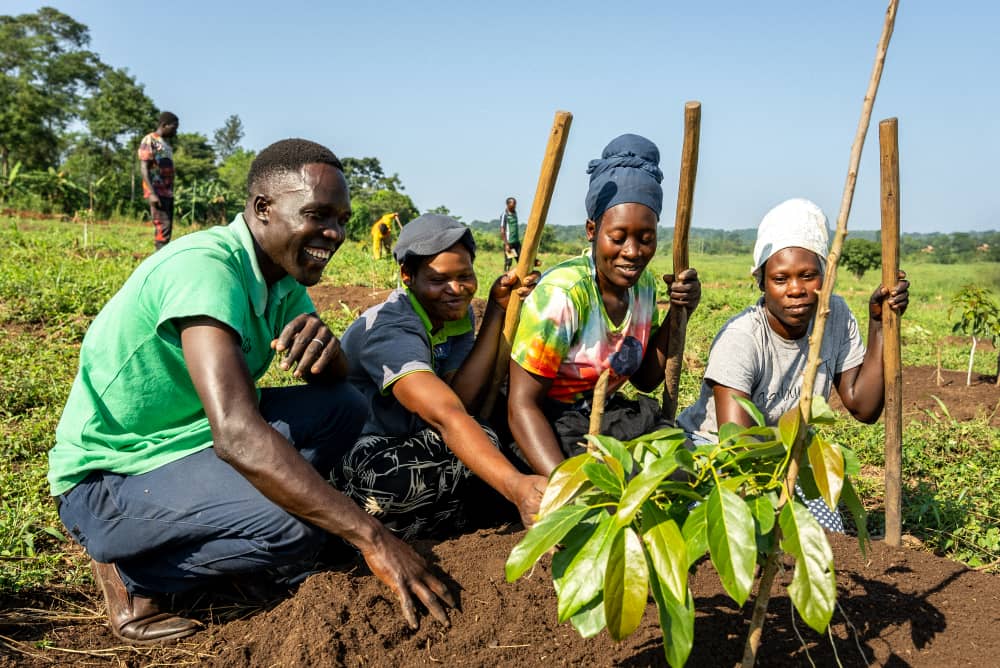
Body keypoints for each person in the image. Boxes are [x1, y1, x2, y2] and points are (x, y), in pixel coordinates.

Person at [49, 139, 454, 645]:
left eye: (343, 219)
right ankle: (132, 573)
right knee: (297, 530)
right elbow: (237, 434)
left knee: (342, 405)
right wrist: (373, 537)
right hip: (111, 476)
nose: (335, 233)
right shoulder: (207, 270)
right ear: (263, 209)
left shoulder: (279, 277)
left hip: (182, 442)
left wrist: (332, 357)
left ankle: (221, 536)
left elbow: (336, 389)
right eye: (317, 215)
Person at [676, 198, 910, 531]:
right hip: (716, 457)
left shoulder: (835, 316)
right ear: (762, 282)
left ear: (825, 278)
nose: (796, 290)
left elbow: (864, 407)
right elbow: (736, 445)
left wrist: (879, 323)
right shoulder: (742, 338)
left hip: (788, 455)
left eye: (808, 276)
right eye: (781, 279)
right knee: (735, 529)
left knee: (827, 534)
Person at [338, 214, 547, 537]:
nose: (456, 290)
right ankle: (353, 527)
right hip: (360, 453)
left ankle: (428, 521)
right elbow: (446, 414)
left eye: (465, 276)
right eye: (438, 280)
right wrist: (515, 485)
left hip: (413, 439)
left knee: (486, 437)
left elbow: (462, 396)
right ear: (407, 276)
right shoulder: (391, 329)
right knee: (396, 479)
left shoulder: (452, 317)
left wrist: (496, 309)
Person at [507, 134, 701, 477]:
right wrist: (563, 485)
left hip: (610, 417)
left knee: (681, 466)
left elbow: (644, 379)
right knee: (609, 481)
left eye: (646, 238)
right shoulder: (563, 296)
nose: (632, 252)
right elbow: (522, 405)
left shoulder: (643, 287)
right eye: (618, 237)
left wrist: (678, 313)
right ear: (592, 230)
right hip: (550, 425)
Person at [138, 111, 180, 250]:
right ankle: (159, 259)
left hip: (167, 193)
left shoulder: (166, 145)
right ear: (164, 125)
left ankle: (162, 256)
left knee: (167, 229)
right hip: (157, 192)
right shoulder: (150, 140)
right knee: (162, 228)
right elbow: (144, 167)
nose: (175, 131)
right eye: (174, 127)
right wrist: (151, 193)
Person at [500, 197, 521, 272]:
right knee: (509, 262)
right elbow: (502, 230)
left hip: (516, 242)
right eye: (513, 204)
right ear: (508, 204)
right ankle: (505, 276)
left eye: (515, 204)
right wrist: (506, 244)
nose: (515, 205)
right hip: (509, 243)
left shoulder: (515, 213)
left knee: (521, 260)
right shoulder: (504, 215)